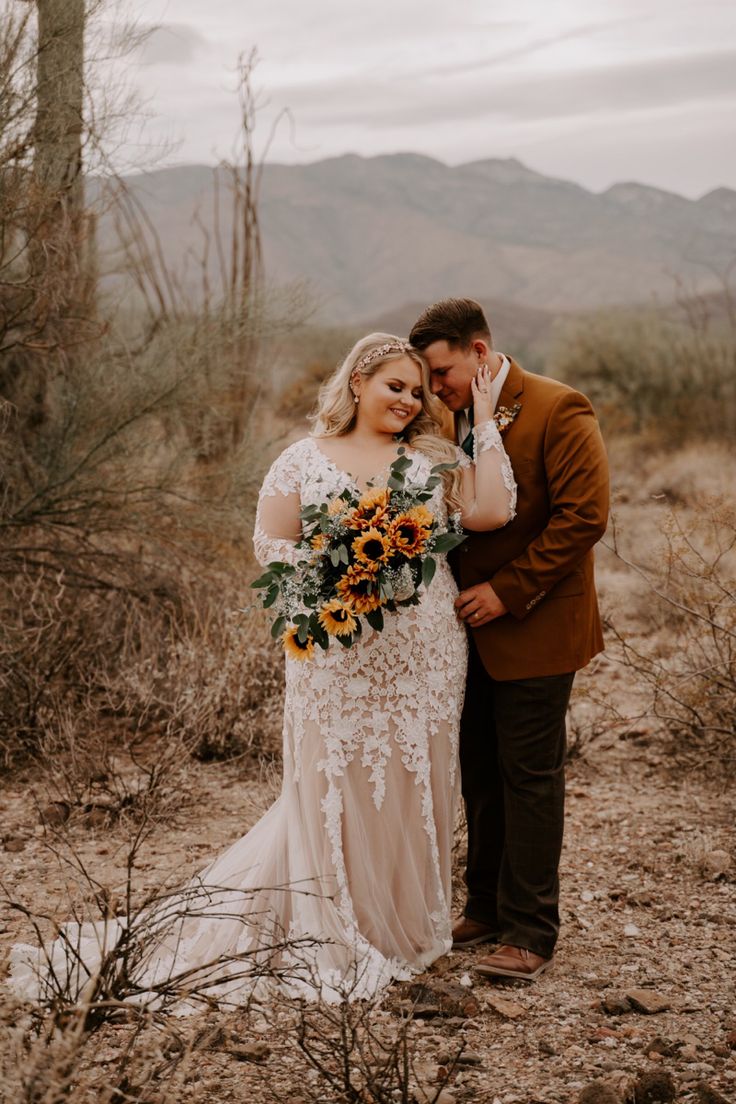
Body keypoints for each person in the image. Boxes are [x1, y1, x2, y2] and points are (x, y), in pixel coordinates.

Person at [8, 333, 516, 1010]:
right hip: (337, 649)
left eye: (418, 392)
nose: (408, 400)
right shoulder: (302, 458)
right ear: (358, 381)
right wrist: (334, 573)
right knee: (334, 777)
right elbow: (269, 542)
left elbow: (491, 510)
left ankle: (395, 929)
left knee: (408, 775)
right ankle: (329, 925)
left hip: (423, 653)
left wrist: (482, 419)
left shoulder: (429, 458)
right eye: (395, 385)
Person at [409, 298, 609, 981]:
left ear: (480, 351)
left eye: (443, 372)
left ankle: (531, 930)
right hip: (466, 636)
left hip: (538, 626)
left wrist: (508, 590)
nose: (436, 389)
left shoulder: (561, 407)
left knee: (529, 779)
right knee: (482, 775)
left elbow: (585, 518)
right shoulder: (453, 418)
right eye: (429, 379)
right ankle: (487, 907)